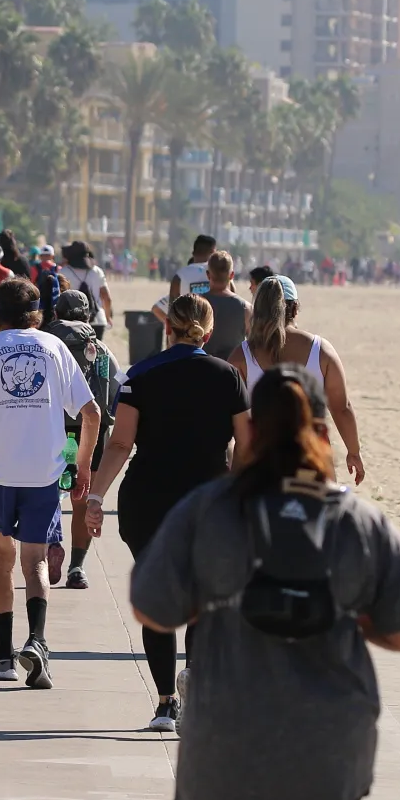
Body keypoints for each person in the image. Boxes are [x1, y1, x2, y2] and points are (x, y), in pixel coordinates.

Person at [121, 364, 400, 800]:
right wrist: (356, 619)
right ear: (322, 432)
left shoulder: (209, 510)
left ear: (251, 429)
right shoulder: (356, 519)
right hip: (330, 739)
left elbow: (151, 607)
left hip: (229, 738)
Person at [91, 294, 250, 734]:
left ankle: (165, 705)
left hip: (148, 500)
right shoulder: (228, 377)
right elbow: (248, 445)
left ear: (168, 328)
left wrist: (94, 498)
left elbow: (120, 444)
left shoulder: (141, 375)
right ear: (209, 331)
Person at [0, 277, 100, 688]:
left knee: (1, 556)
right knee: (35, 563)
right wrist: (82, 467)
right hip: (43, 473)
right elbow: (92, 413)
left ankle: (2, 655)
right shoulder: (55, 348)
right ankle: (38, 643)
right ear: (39, 316)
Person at [231, 276, 366, 484]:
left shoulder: (241, 356)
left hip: (259, 463)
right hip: (311, 459)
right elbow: (342, 408)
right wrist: (353, 452)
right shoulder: (321, 351)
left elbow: (232, 416)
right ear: (295, 308)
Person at [43, 289, 118, 591]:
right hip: (92, 429)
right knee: (83, 498)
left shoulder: (46, 344)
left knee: (49, 493)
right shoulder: (99, 348)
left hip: (53, 428)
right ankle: (77, 567)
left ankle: (52, 543)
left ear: (56, 314)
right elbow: (114, 390)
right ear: (87, 316)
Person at [203, 250, 251, 364]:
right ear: (232, 275)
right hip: (233, 372)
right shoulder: (246, 308)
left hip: (202, 370)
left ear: (208, 275)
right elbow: (253, 347)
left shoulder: (195, 304)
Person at [60, 241, 113, 339]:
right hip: (97, 320)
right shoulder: (97, 271)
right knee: (96, 352)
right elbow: (107, 298)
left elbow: (60, 297)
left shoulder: (64, 272)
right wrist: (108, 316)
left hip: (73, 322)